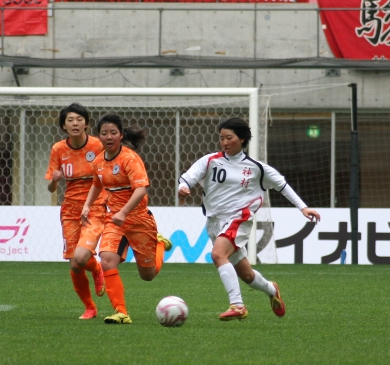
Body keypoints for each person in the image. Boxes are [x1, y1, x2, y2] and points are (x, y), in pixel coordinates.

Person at [178, 118, 321, 321]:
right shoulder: (210, 160)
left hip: (239, 219)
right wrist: (182, 189)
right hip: (214, 222)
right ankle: (272, 289)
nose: (225, 142)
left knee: (218, 255)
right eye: (221, 138)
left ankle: (237, 305)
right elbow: (187, 177)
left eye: (229, 138)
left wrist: (303, 207)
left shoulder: (256, 168)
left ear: (242, 139)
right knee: (246, 275)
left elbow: (282, 185)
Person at [80, 113, 172, 325]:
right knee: (107, 260)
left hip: (139, 219)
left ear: (121, 135)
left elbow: (141, 189)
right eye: (104, 133)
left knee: (147, 275)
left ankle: (158, 243)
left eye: (113, 132)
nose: (109, 137)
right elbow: (96, 184)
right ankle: (121, 313)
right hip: (115, 220)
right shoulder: (99, 162)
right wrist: (87, 205)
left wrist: (124, 212)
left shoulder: (130, 159)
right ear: (99, 136)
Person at [45, 103, 106, 320]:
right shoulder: (58, 149)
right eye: (70, 120)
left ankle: (97, 268)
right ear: (64, 125)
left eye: (79, 119)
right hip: (70, 208)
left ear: (87, 124)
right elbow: (51, 187)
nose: (75, 123)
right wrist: (54, 181)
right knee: (75, 265)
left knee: (81, 258)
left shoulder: (98, 146)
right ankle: (90, 307)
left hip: (96, 206)